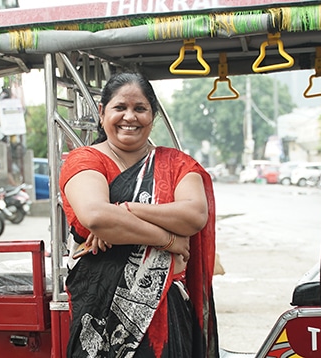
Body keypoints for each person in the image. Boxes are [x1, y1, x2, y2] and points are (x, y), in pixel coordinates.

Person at [59, 72, 219, 358]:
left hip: (165, 314)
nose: (129, 117)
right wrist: (168, 240)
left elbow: (194, 215)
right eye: (120, 107)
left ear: (152, 115)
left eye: (140, 108)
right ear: (102, 112)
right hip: (97, 313)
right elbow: (95, 215)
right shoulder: (85, 160)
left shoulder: (177, 164)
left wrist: (124, 210)